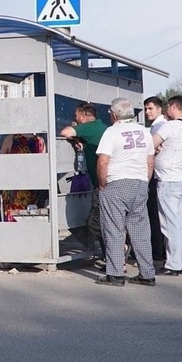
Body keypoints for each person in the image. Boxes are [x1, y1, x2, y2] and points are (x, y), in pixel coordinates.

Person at [95, 98, 156, 286]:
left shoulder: (112, 132)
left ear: (114, 114)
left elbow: (103, 161)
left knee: (113, 229)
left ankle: (115, 275)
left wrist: (102, 185)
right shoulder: (144, 132)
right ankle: (147, 274)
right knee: (140, 231)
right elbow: (150, 162)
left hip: (117, 183)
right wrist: (145, 181)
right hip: (139, 183)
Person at [60, 103, 107, 263]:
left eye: (77, 116)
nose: (75, 118)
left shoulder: (89, 127)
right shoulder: (101, 127)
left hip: (101, 184)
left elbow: (65, 132)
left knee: (95, 222)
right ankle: (115, 253)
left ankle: (115, 254)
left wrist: (76, 133)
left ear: (84, 115)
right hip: (107, 181)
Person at [153, 95, 182, 276]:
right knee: (177, 222)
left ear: (174, 106)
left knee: (169, 224)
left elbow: (150, 143)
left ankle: (172, 264)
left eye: (169, 107)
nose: (167, 111)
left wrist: (157, 148)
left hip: (167, 180)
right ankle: (180, 262)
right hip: (180, 179)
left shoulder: (170, 126)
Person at [144, 96, 167, 262]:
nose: (147, 112)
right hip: (160, 175)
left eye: (150, 108)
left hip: (157, 175)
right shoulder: (156, 126)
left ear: (159, 109)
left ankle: (157, 252)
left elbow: (151, 148)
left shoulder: (159, 126)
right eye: (145, 108)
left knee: (155, 216)